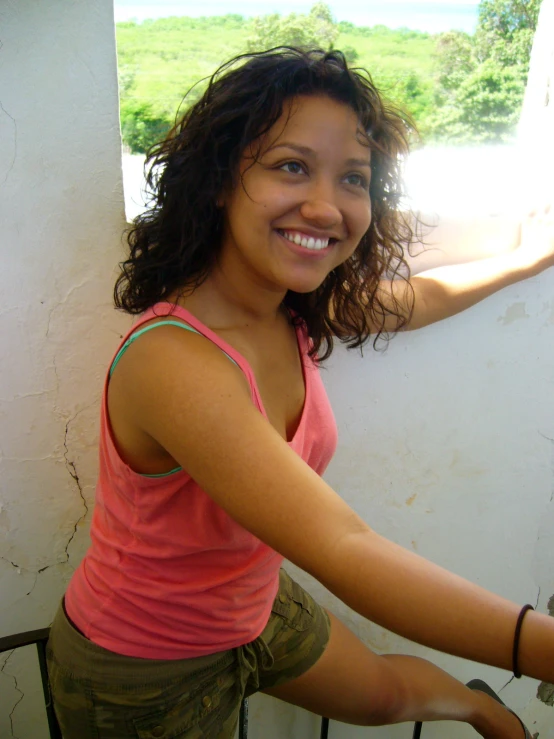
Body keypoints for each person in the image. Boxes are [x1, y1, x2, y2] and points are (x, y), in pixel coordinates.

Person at [46, 48, 554, 739]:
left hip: (251, 600)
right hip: (143, 667)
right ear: (223, 179)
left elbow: (418, 297)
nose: (326, 204)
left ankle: (479, 705)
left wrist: (526, 259)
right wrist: (540, 645)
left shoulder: (290, 310)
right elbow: (343, 544)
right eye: (291, 166)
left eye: (353, 178)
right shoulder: (171, 361)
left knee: (379, 697)